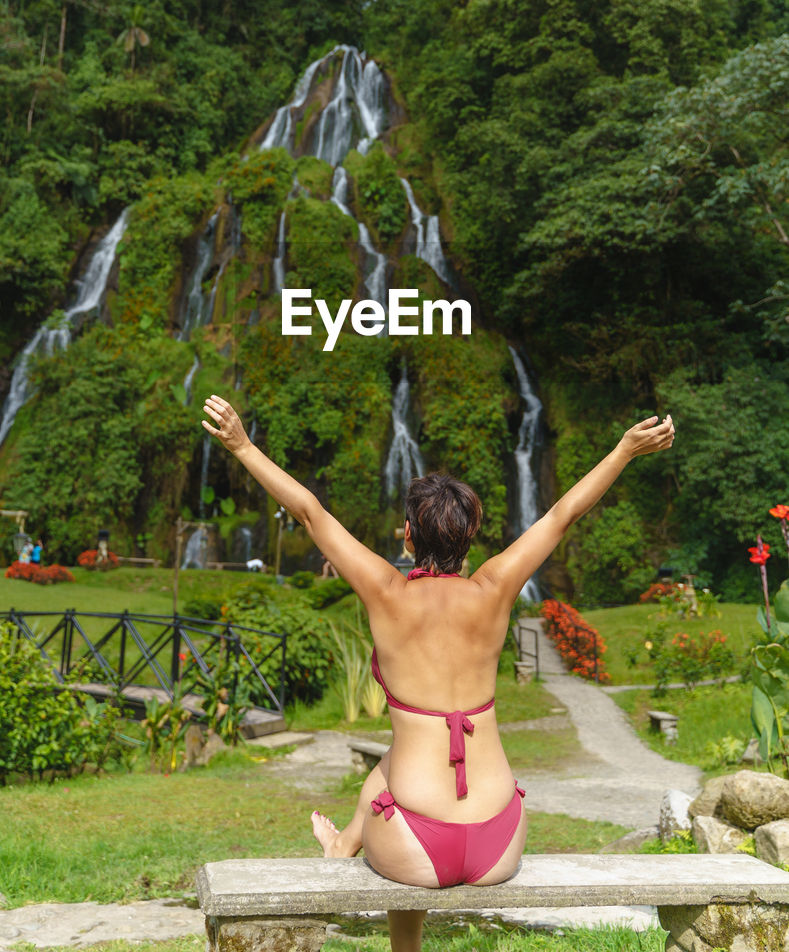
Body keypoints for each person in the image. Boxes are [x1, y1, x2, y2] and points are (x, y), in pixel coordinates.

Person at [202, 394, 674, 952]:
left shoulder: (386, 591)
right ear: (469, 537)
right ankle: (350, 845)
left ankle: (350, 860)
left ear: (407, 535)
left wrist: (241, 444)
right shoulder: (495, 587)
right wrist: (623, 449)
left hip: (413, 845)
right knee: (387, 774)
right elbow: (561, 514)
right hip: (501, 840)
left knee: (386, 776)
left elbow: (311, 512)